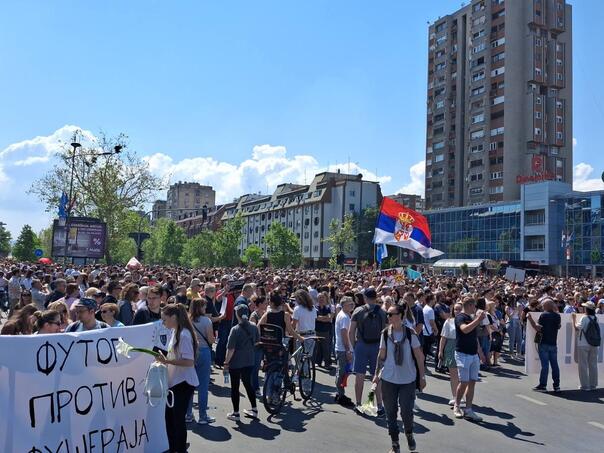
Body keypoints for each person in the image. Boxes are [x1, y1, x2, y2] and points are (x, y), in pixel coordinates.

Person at [374, 303, 425, 453]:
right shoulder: (385, 334)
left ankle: (409, 433)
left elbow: (419, 357)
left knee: (406, 412)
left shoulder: (410, 333)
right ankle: (395, 443)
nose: (388, 317)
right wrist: (376, 374)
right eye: (387, 314)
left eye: (391, 314)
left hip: (407, 380)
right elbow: (381, 356)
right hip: (389, 379)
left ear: (401, 316)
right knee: (390, 413)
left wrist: (422, 377)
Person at [156, 303, 199, 453]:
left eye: (164, 319)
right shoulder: (176, 331)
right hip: (175, 382)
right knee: (170, 418)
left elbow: (189, 361)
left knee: (177, 420)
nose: (163, 323)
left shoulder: (184, 335)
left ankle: (179, 449)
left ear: (174, 317)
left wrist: (167, 361)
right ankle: (174, 447)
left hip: (183, 383)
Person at [349, 288, 386, 416]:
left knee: (360, 375)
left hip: (361, 345)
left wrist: (354, 346)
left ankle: (359, 404)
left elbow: (351, 331)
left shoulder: (358, 311)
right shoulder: (382, 312)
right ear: (376, 297)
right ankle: (380, 406)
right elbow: (386, 331)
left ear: (365, 298)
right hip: (377, 346)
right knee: (377, 376)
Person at [224, 304, 260, 421]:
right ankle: (254, 409)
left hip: (236, 362)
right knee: (248, 384)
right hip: (249, 360)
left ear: (237, 315)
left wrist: (226, 362)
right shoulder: (254, 327)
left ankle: (236, 413)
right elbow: (256, 342)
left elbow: (231, 349)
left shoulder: (235, 330)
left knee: (235, 387)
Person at [453, 297, 484, 421]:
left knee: (472, 382)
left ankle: (468, 409)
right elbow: (465, 330)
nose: (475, 308)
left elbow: (474, 336)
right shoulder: (460, 317)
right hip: (462, 354)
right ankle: (457, 406)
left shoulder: (471, 318)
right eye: (474, 306)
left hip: (473, 354)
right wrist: (478, 320)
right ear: (470, 305)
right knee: (464, 382)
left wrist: (480, 352)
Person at [186, 298, 216, 424]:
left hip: (190, 352)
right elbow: (211, 339)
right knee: (203, 385)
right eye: (204, 306)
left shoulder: (187, 320)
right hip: (203, 352)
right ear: (200, 307)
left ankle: (188, 414)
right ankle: (203, 416)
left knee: (189, 385)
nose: (205, 308)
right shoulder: (206, 321)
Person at [532, 299, 561, 392]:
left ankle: (543, 385)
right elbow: (559, 326)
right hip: (553, 343)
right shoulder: (557, 316)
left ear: (546, 306)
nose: (542, 307)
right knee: (554, 365)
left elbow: (538, 328)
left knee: (545, 366)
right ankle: (556, 385)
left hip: (544, 342)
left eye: (543, 305)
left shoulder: (543, 315)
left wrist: (530, 319)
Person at [572, 301, 600, 391]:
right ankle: (593, 384)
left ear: (587, 309)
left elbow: (577, 328)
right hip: (594, 344)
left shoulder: (584, 318)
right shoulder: (596, 318)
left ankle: (585, 385)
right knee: (593, 364)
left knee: (583, 365)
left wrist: (573, 319)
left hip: (583, 344)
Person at [438, 302, 462, 406]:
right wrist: (440, 351)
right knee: (453, 375)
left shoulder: (467, 321)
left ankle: (461, 395)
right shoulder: (448, 321)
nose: (457, 311)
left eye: (460, 309)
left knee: (462, 375)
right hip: (451, 348)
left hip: (463, 347)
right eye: (456, 309)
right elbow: (443, 337)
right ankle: (455, 396)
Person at [334, 296, 355, 407]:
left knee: (343, 372)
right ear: (343, 305)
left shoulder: (344, 315)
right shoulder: (344, 317)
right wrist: (348, 350)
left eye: (352, 303)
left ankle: (340, 393)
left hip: (342, 348)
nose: (352, 305)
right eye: (350, 304)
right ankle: (340, 395)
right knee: (342, 372)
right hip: (343, 349)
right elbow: (344, 333)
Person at [315, 291, 334, 368]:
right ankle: (318, 362)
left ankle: (327, 364)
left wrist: (321, 318)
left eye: (322, 297)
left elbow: (329, 318)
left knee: (326, 348)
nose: (321, 299)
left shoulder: (328, 308)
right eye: (320, 298)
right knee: (318, 347)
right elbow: (316, 318)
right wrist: (324, 318)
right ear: (317, 299)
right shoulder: (315, 308)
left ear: (325, 298)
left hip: (326, 330)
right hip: (317, 330)